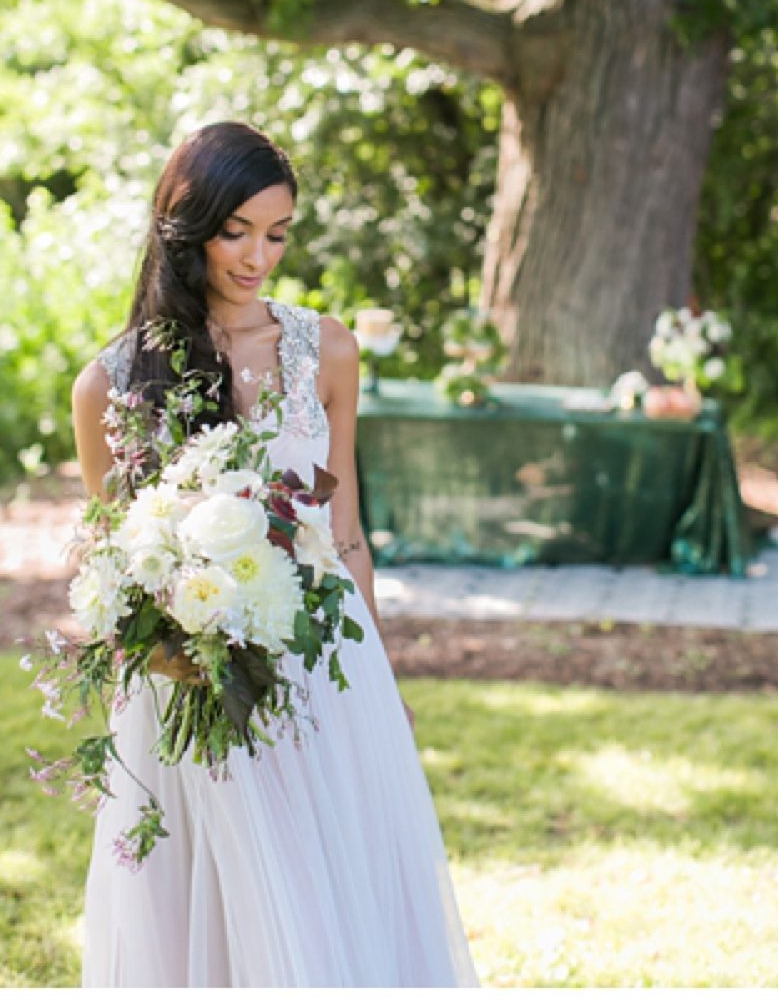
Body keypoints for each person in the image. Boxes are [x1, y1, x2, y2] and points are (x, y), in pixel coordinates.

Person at [69, 121, 476, 987]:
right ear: (187, 228)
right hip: (188, 687)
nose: (259, 257)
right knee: (207, 911)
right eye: (236, 232)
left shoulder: (325, 350)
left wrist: (379, 682)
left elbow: (347, 533)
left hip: (319, 674)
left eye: (278, 233)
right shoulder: (111, 385)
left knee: (325, 909)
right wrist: (175, 651)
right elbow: (112, 574)